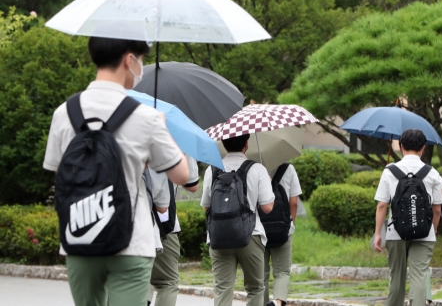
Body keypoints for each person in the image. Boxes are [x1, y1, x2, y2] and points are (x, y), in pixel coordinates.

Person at [43, 37, 190, 306]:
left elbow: (59, 173)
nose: (141, 68)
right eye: (141, 60)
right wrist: (161, 129)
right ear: (129, 60)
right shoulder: (145, 116)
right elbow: (183, 176)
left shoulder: (64, 113)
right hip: (130, 242)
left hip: (79, 237)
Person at [201, 134, 275, 306]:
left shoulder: (211, 170)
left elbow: (206, 206)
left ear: (224, 143)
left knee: (222, 288)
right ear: (247, 143)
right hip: (251, 235)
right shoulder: (257, 169)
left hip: (219, 237)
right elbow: (267, 207)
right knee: (255, 288)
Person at [373, 129, 442, 306]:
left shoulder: (390, 171)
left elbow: (382, 204)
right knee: (419, 276)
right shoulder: (431, 172)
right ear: (424, 148)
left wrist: (377, 233)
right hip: (424, 233)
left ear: (401, 146)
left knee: (396, 278)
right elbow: (436, 209)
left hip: (396, 232)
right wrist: (433, 230)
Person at [146, 155, 200, 306]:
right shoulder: (178, 140)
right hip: (163, 226)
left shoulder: (121, 136)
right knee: (167, 282)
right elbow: (192, 185)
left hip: (123, 222)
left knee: (138, 278)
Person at [263, 162, 302, 306]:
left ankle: (263, 302)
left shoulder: (253, 168)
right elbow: (294, 202)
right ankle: (278, 302)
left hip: (259, 229)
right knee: (282, 272)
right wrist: (291, 221)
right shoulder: (288, 168)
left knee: (261, 273)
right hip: (282, 227)